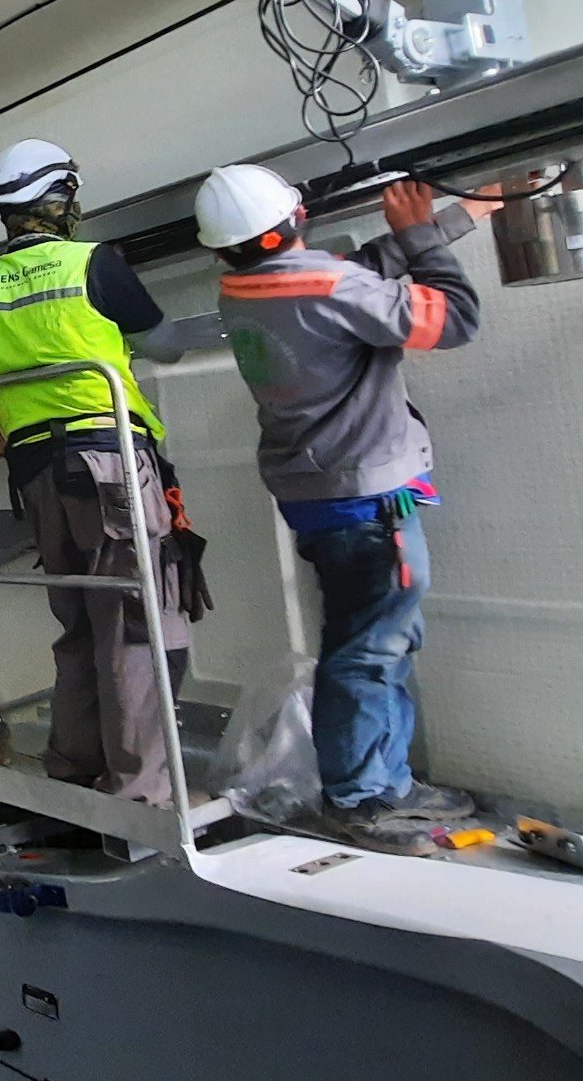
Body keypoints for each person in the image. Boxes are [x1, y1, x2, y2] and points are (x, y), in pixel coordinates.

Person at [196, 163, 498, 854]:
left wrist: (451, 220)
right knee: (368, 650)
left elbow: (354, 275)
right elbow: (455, 319)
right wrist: (421, 238)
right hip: (368, 502)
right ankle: (360, 797)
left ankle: (388, 784)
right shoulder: (329, 286)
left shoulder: (242, 291)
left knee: (379, 639)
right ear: (297, 217)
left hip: (320, 496)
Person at [0, 140, 210, 803]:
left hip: (37, 474)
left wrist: (9, 372)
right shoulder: (94, 263)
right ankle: (143, 798)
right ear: (60, 199)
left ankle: (76, 779)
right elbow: (164, 345)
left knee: (80, 626)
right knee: (136, 624)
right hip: (110, 462)